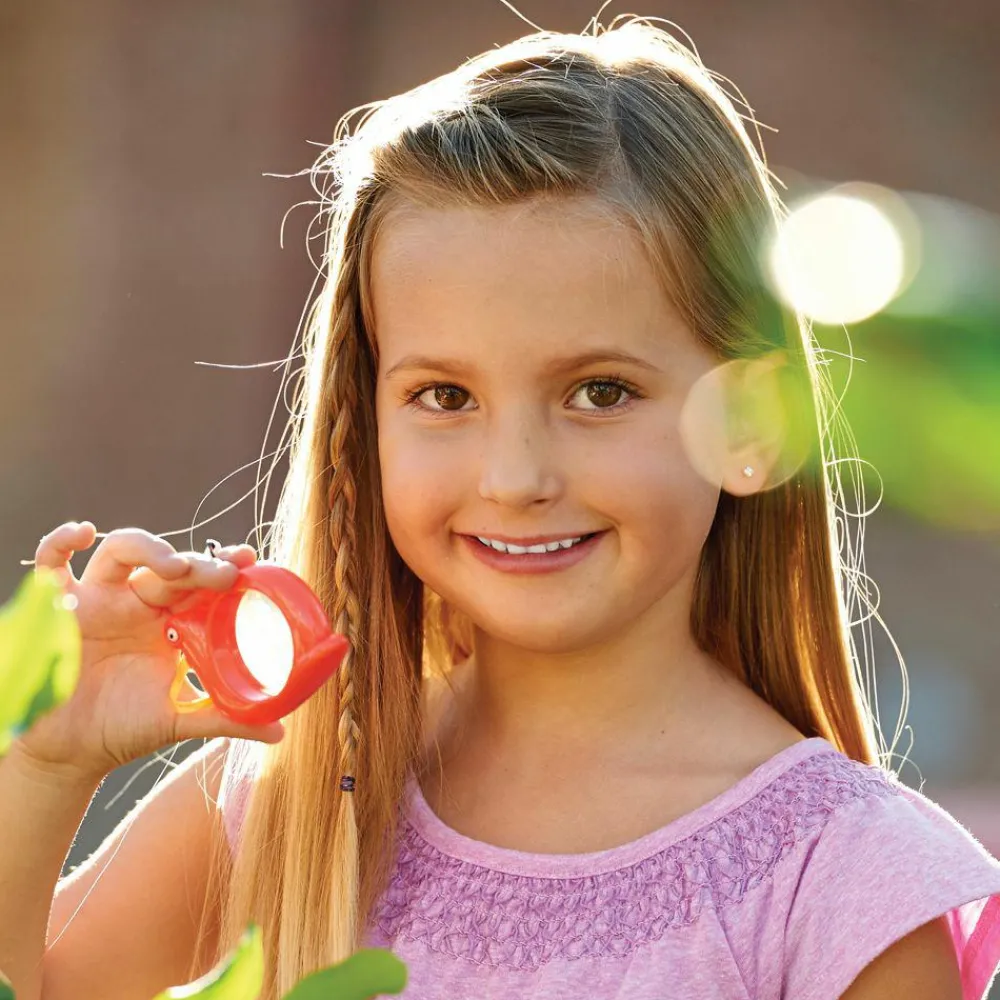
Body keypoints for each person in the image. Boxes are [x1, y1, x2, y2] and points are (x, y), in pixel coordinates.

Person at [2, 16, 999, 1000]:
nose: (514, 475)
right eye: (444, 396)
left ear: (751, 423)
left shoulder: (847, 883)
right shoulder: (280, 804)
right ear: (368, 419)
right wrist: (51, 761)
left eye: (599, 391)